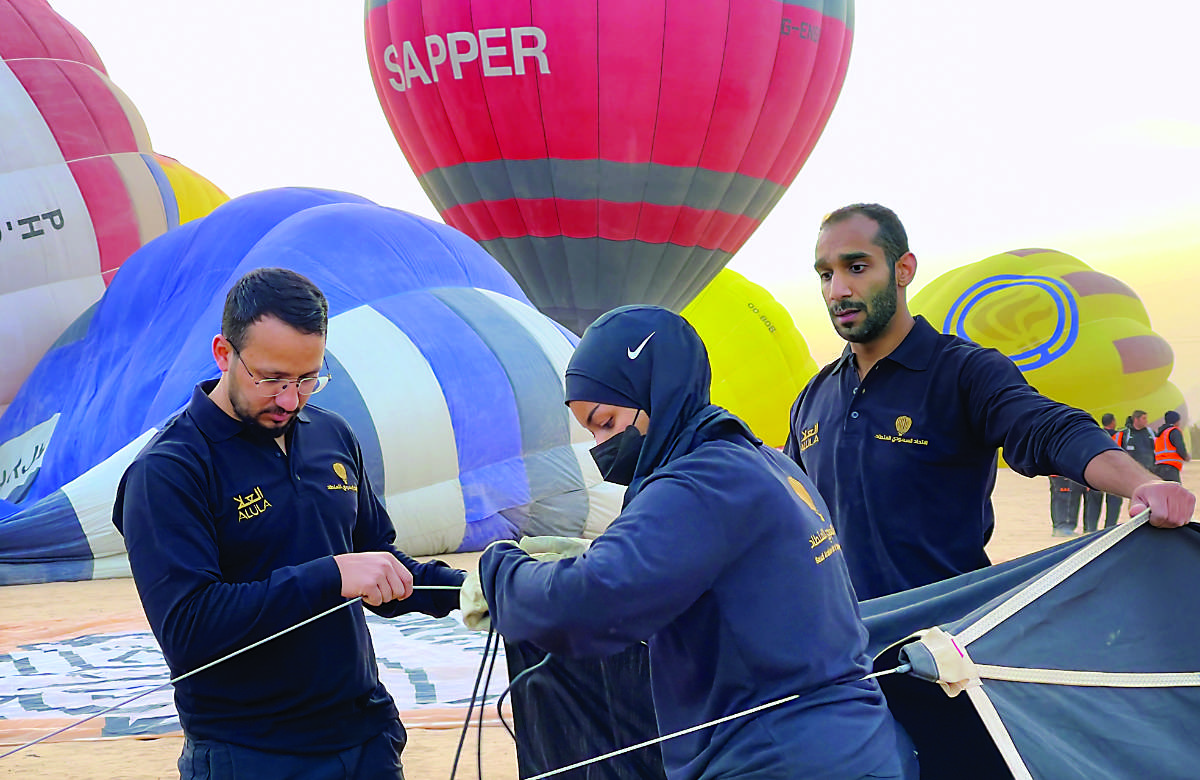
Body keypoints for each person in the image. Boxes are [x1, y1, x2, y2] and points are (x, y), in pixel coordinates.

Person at [473, 306, 917, 780]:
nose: (601, 445)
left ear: (654, 392)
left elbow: (587, 601)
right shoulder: (764, 462)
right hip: (859, 745)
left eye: (606, 421)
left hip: (780, 758)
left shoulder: (699, 483)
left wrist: (502, 570)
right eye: (590, 432)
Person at [113, 268, 465, 779]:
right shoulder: (168, 472)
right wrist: (333, 575)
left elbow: (379, 566)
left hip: (364, 740)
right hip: (252, 755)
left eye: (306, 378)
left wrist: (476, 592)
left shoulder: (332, 434)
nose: (288, 400)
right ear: (223, 353)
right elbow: (189, 629)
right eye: (271, 379)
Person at [784, 203, 1195, 600]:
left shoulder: (964, 372)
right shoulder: (813, 397)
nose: (838, 290)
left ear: (903, 269)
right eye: (825, 274)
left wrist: (1144, 483)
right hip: (842, 654)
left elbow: (1049, 428)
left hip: (941, 650)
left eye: (857, 268)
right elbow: (785, 515)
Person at [1098, 413, 1124, 528]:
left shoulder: (1097, 434)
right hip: (1115, 473)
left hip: (1098, 472)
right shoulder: (1120, 436)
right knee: (1114, 502)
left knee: (1094, 502)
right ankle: (1110, 527)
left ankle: (1090, 528)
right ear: (1113, 422)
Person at [1153, 410, 1190, 482]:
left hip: (1159, 468)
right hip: (1171, 468)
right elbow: (1180, 448)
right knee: (1175, 491)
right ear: (1176, 421)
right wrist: (1186, 456)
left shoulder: (1160, 434)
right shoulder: (1174, 431)